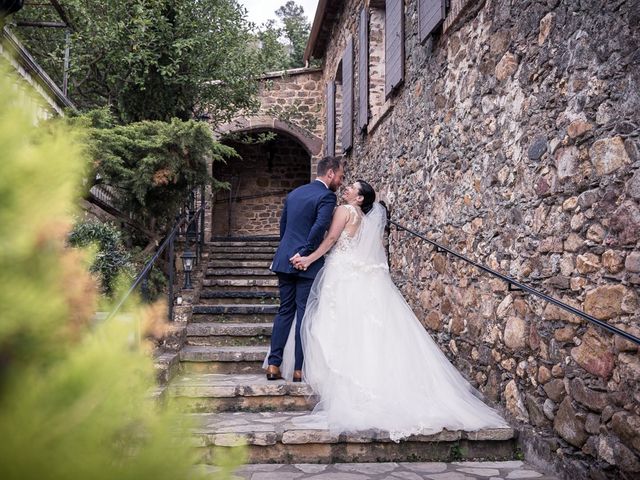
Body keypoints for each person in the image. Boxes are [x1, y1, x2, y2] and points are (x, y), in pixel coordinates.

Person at [289, 180, 508, 440]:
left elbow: (332, 239)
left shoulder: (344, 210)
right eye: (347, 186)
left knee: (338, 325)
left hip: (341, 272)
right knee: (358, 328)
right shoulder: (363, 218)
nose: (346, 189)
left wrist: (309, 258)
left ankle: (348, 388)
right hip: (352, 272)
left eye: (352, 189)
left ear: (359, 199)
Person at [265, 156, 345, 382]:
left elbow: (283, 227)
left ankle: (273, 365)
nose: (340, 182)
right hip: (305, 263)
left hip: (284, 259)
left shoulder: (294, 193)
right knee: (304, 315)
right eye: (340, 176)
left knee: (284, 311)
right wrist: (305, 253)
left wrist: (290, 252)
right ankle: (299, 370)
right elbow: (320, 226)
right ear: (330, 173)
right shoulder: (327, 196)